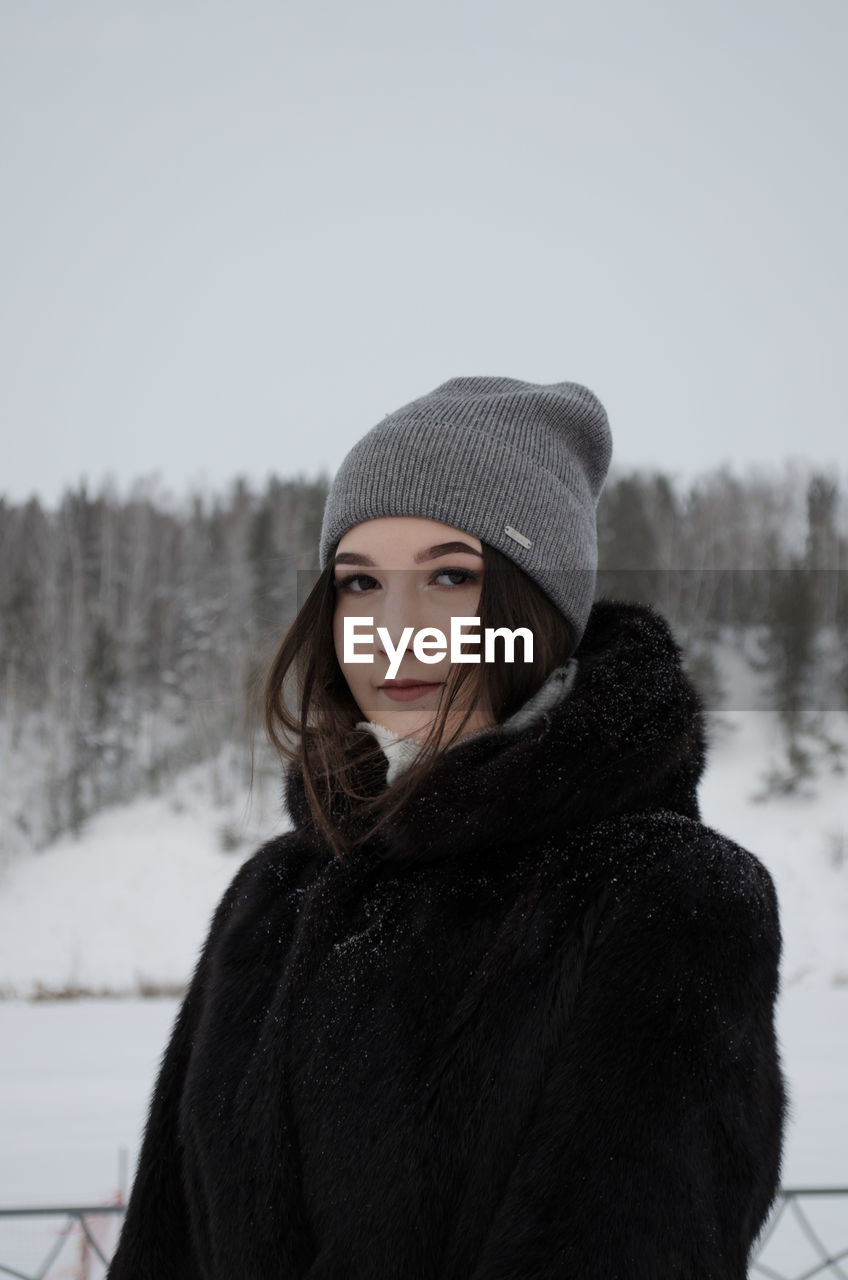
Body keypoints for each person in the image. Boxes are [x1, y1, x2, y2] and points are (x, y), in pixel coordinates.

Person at [107, 377, 787, 1279]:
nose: (396, 629)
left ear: (539, 608)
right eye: (359, 583)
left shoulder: (666, 896)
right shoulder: (276, 889)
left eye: (451, 577)